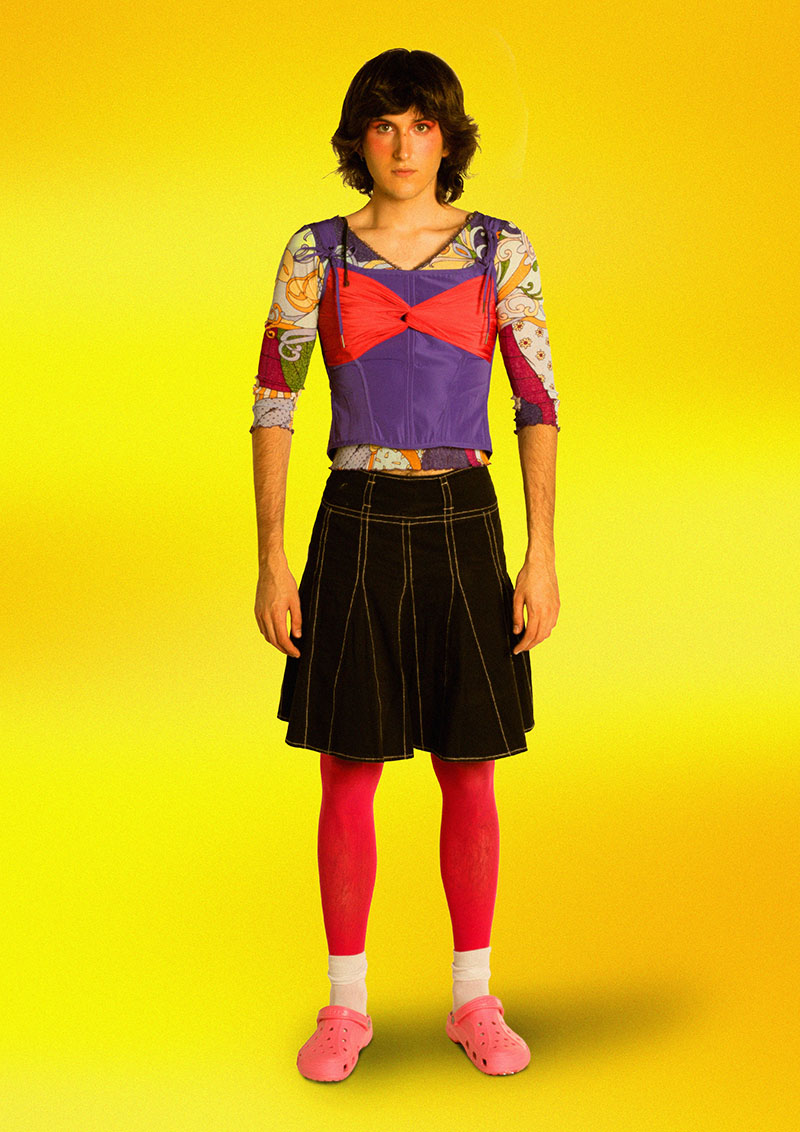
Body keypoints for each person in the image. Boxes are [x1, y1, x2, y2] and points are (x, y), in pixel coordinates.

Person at [251, 48, 560, 1081]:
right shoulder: (316, 252)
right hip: (355, 517)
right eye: (383, 124)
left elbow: (536, 402)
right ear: (359, 140)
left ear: (446, 138)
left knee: (469, 768)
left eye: (421, 124)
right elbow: (274, 405)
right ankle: (346, 1006)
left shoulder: (500, 248)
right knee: (347, 769)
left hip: (465, 516)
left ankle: (475, 999)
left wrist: (541, 556)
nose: (402, 143)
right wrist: (271, 560)